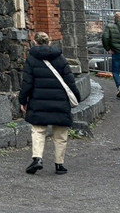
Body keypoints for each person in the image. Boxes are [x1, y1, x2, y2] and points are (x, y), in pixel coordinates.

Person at [18, 31, 79, 176]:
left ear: (34, 42)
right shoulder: (60, 58)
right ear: (49, 41)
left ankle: (37, 159)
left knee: (38, 130)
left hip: (38, 100)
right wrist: (76, 97)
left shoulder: (31, 59)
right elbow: (70, 80)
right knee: (60, 134)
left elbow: (27, 83)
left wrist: (23, 100)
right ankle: (59, 165)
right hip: (60, 100)